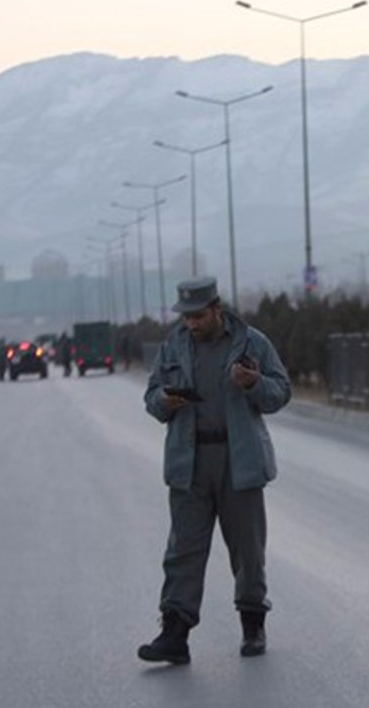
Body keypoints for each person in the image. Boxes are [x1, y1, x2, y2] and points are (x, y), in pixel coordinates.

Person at [139, 276, 291, 665]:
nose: (192, 323)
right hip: (189, 461)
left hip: (238, 459)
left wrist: (254, 383)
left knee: (247, 550)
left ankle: (253, 624)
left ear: (217, 309)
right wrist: (165, 401)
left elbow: (280, 392)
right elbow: (151, 397)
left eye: (199, 315)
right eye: (186, 316)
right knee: (183, 549)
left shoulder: (251, 343)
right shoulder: (173, 345)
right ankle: (175, 633)